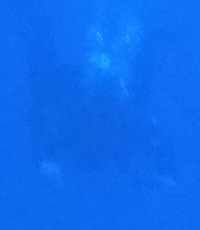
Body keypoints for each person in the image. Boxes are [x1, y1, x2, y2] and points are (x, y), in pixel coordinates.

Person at [29, 37, 175, 184]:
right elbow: (54, 136)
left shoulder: (128, 121)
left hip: (104, 148)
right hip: (98, 147)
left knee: (141, 88)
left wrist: (164, 172)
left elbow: (155, 140)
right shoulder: (79, 119)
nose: (103, 114)